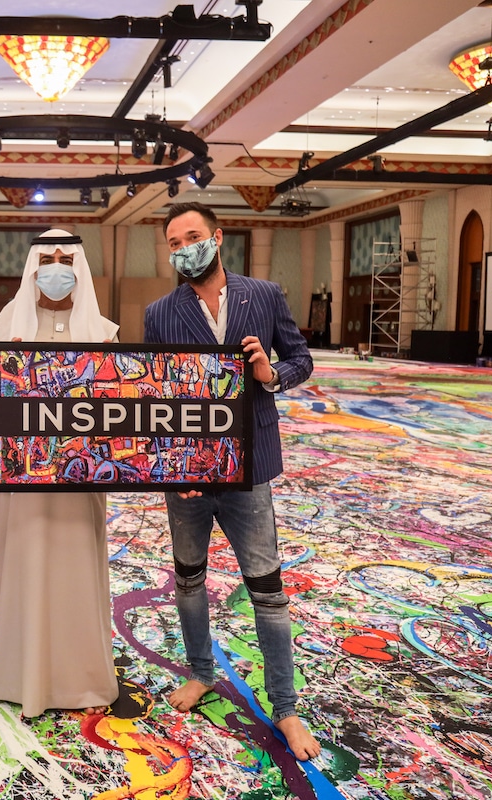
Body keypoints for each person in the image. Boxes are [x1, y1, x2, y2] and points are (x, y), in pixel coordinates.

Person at [143, 201, 320, 761]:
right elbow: (153, 396)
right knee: (189, 581)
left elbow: (301, 359)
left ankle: (285, 707)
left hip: (250, 469)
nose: (183, 249)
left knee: (267, 589)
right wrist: (171, 465)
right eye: (174, 243)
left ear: (217, 238)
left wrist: (271, 374)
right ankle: (201, 672)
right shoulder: (160, 313)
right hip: (189, 476)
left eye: (191, 237)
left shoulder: (263, 296)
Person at [0, 230, 120, 717]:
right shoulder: (6, 326)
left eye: (66, 260)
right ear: (32, 268)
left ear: (80, 267)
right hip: (20, 484)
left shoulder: (103, 331)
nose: (57, 269)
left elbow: (117, 409)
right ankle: (17, 675)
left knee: (75, 569)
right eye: (47, 260)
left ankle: (82, 681)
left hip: (79, 481)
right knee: (23, 563)